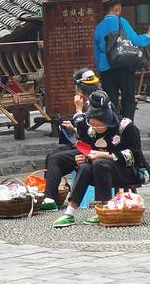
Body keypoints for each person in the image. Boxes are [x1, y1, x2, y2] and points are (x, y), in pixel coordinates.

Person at [53, 91, 149, 228]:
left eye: (100, 125)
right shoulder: (91, 131)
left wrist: (105, 155)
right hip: (102, 172)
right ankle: (70, 212)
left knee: (100, 162)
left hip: (128, 171)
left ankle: (105, 208)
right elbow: (90, 151)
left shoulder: (126, 127)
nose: (97, 128)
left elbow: (136, 156)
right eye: (93, 124)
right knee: (85, 167)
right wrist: (85, 159)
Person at [42, 68, 102, 211]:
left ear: (81, 90)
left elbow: (91, 134)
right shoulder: (94, 100)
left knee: (55, 159)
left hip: (96, 150)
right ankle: (49, 195)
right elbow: (88, 133)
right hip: (88, 145)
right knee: (51, 155)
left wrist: (78, 111)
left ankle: (50, 198)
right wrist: (73, 130)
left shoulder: (96, 103)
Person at [94, 0, 150, 120]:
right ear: (117, 9)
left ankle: (114, 127)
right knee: (128, 99)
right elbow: (136, 41)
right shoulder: (122, 22)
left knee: (111, 102)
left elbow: (97, 54)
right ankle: (127, 126)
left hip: (106, 69)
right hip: (125, 65)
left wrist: (100, 70)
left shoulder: (98, 28)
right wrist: (148, 36)